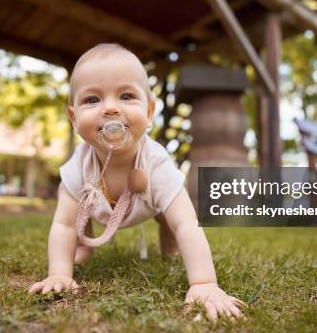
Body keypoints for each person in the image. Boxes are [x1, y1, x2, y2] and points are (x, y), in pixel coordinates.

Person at [28, 43, 243, 320]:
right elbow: (64, 224)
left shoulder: (157, 164)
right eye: (92, 100)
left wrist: (204, 284)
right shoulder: (77, 167)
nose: (110, 108)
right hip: (96, 203)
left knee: (170, 218)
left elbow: (187, 223)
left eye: (126, 96)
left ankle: (169, 245)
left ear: (149, 111)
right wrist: (59, 273)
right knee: (75, 209)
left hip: (149, 205)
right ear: (73, 117)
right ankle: (84, 248)